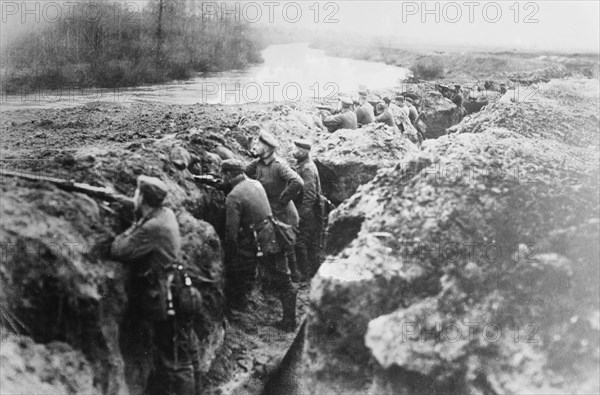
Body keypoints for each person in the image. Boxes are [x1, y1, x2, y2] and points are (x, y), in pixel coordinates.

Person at [110, 176, 201, 395]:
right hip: (181, 288)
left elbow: (118, 249)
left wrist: (132, 225)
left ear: (142, 197)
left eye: (137, 193)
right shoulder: (165, 213)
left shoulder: (152, 227)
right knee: (184, 346)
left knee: (176, 361)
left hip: (169, 296)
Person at [292, 139, 322, 280]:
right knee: (309, 242)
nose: (293, 151)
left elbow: (309, 196)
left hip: (309, 211)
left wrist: (300, 215)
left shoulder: (308, 169)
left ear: (303, 152)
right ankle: (312, 273)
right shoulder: (302, 165)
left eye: (296, 150)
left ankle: (305, 275)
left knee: (301, 241)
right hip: (308, 210)